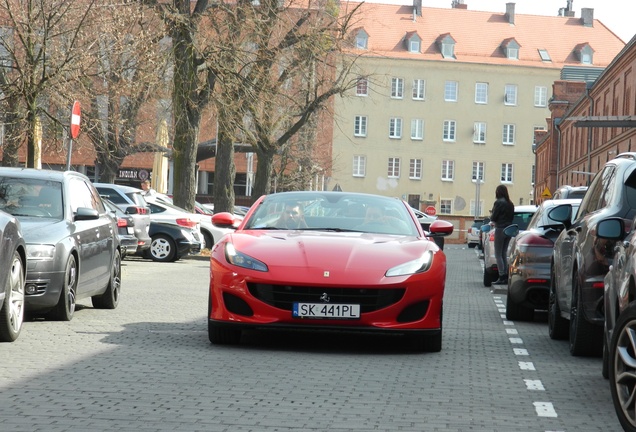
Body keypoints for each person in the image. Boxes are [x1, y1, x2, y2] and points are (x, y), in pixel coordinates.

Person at [490, 185, 514, 285]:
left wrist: (492, 217)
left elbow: (494, 217)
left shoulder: (498, 202)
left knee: (498, 253)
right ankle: (506, 275)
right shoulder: (510, 204)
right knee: (504, 252)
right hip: (509, 229)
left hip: (500, 228)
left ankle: (501, 275)